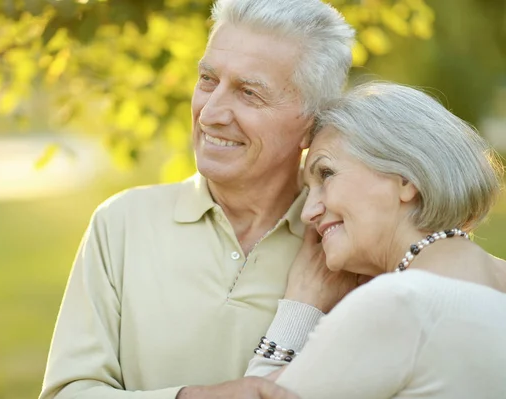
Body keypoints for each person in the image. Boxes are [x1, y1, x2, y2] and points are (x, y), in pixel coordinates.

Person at [39, 0, 355, 398]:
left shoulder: (344, 244)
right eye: (208, 79)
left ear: (313, 125)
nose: (210, 113)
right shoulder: (121, 224)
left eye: (249, 92)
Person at [244, 82, 506, 398]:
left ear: (407, 177)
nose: (308, 213)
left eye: (326, 174)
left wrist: (301, 304)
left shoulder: (398, 303)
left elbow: (257, 395)